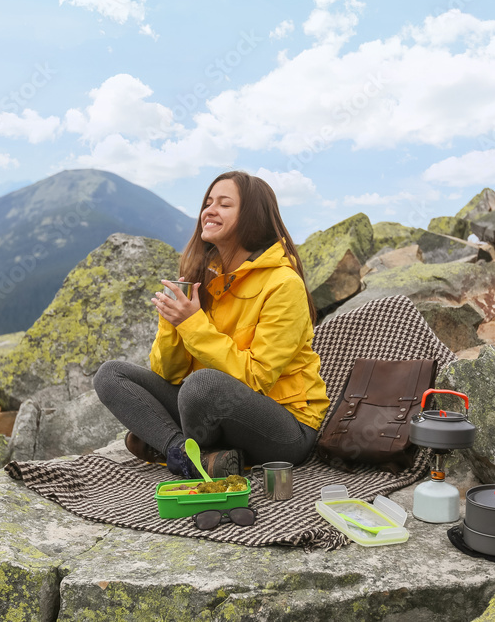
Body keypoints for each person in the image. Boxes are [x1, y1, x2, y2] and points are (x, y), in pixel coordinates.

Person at [92, 170, 329, 479]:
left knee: (202, 385)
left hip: (283, 426)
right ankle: (183, 454)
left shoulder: (283, 284)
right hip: (206, 411)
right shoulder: (205, 277)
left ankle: (168, 445)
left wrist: (192, 324)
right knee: (110, 374)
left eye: (224, 204)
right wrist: (172, 323)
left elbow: (256, 378)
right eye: (207, 202)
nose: (209, 210)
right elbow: (168, 374)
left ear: (251, 216)